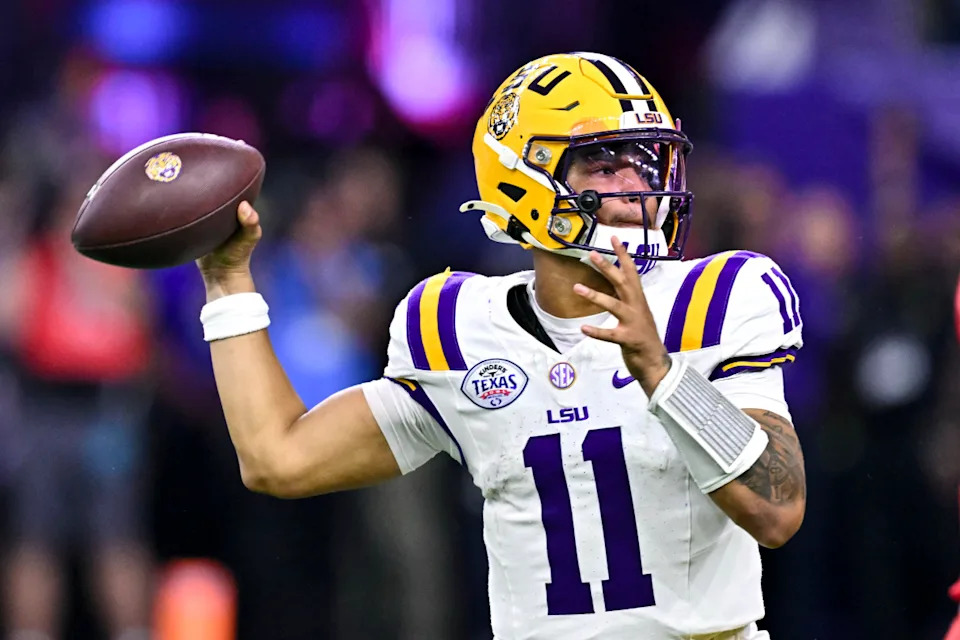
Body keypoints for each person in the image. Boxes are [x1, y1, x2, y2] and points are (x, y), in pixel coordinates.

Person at [195, 52, 807, 639]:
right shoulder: (459, 328)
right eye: (604, 163)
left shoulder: (718, 300)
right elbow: (278, 458)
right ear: (524, 179)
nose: (635, 184)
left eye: (645, 161)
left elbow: (777, 511)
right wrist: (228, 284)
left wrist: (663, 374)